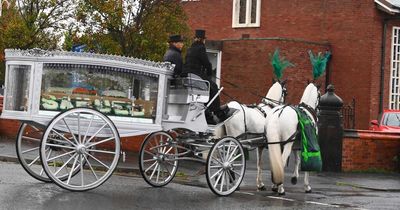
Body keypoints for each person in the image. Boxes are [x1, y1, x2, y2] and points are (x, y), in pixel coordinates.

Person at [183, 29, 228, 124]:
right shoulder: (201, 47)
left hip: (188, 74)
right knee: (214, 87)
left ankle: (208, 110)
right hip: (196, 74)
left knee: (209, 86)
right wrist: (209, 74)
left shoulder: (190, 48)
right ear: (202, 40)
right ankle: (216, 112)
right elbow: (206, 63)